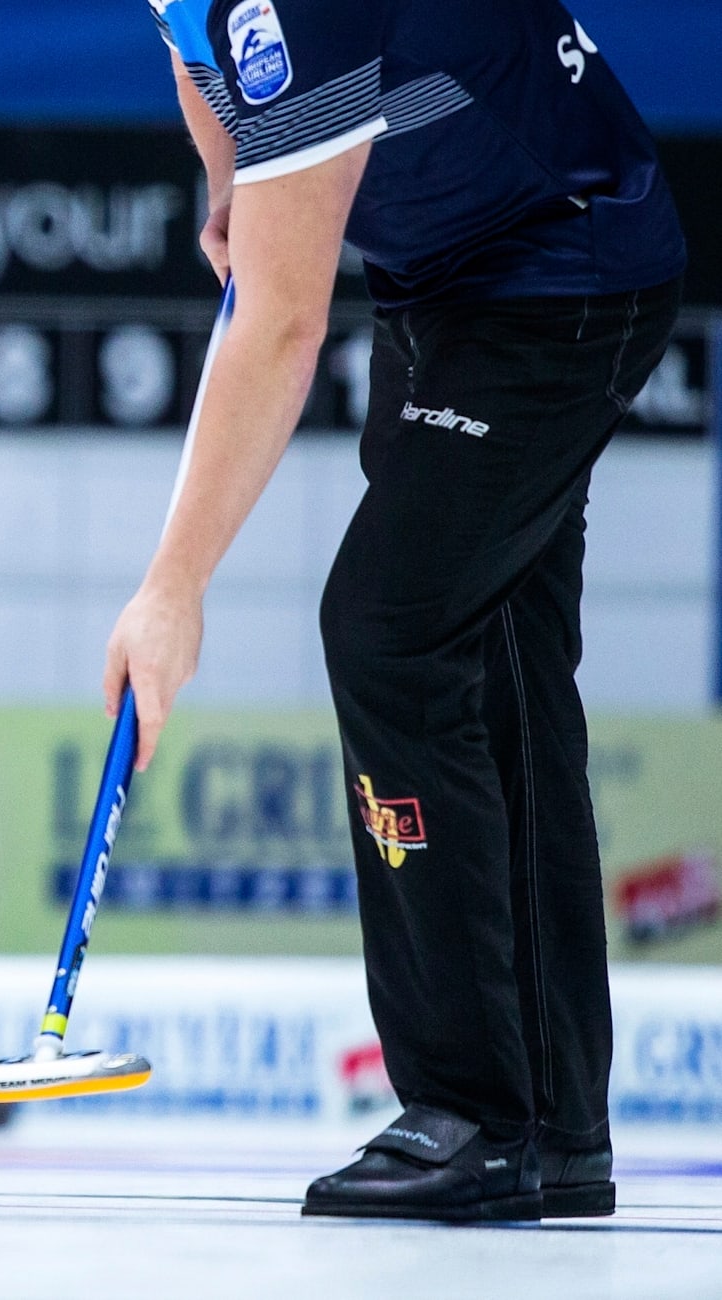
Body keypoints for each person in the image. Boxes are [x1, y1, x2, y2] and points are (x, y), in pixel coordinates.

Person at [108, 0, 684, 1220]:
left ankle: (476, 1114)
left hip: (560, 266)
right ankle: (552, 1130)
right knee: (497, 672)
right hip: (442, 283)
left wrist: (173, 590)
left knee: (391, 629)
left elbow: (281, 326)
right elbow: (193, 53)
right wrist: (226, 184)